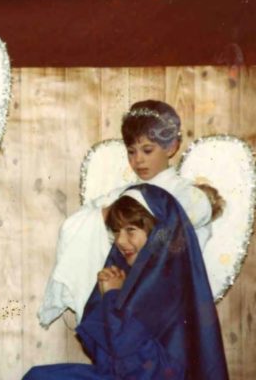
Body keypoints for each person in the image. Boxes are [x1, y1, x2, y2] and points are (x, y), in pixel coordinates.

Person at [25, 185, 229, 379]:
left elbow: (146, 368)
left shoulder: (172, 290)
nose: (120, 241)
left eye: (130, 230)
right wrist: (106, 299)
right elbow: (104, 352)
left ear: (159, 235)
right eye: (116, 231)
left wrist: (113, 299)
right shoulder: (131, 279)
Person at [38, 100, 214, 325]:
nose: (138, 159)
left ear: (171, 147)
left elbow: (186, 222)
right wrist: (109, 213)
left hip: (172, 302)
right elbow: (74, 225)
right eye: (131, 151)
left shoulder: (188, 194)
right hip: (126, 297)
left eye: (147, 150)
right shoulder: (122, 194)